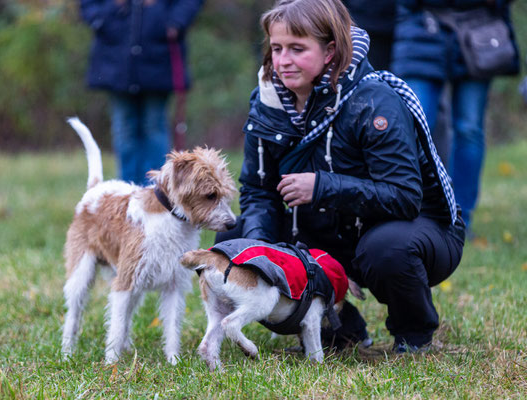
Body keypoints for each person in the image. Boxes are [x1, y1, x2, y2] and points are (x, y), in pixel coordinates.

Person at [216, 0, 466, 353]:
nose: (282, 61)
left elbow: (406, 197)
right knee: (237, 240)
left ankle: (414, 335)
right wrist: (260, 254)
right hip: (328, 229)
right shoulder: (266, 103)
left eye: (297, 49)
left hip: (418, 229)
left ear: (330, 50)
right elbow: (258, 193)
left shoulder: (375, 100)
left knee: (386, 248)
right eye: (276, 48)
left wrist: (321, 186)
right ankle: (338, 329)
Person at [390, 0, 520, 232]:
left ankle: (460, 221)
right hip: (424, 25)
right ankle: (413, 211)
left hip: (480, 29)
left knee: (469, 129)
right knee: (414, 125)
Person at [79, 0, 204, 184]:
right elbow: (89, 5)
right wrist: (103, 17)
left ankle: (156, 190)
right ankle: (128, 191)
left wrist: (174, 23)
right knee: (124, 127)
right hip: (117, 59)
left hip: (159, 56)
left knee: (155, 126)